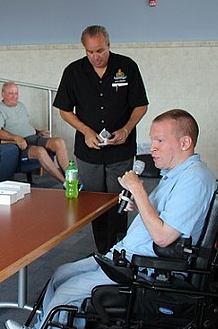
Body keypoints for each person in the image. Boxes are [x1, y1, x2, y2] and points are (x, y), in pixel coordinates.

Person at [4, 109, 215, 329]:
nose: (150, 147)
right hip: (126, 256)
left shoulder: (194, 180)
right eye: (152, 140)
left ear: (184, 143)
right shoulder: (176, 174)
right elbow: (163, 219)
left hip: (145, 268)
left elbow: (165, 237)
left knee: (67, 294)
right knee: (60, 274)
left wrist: (139, 192)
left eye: (159, 141)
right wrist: (140, 205)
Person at [53, 25, 149, 254]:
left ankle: (119, 250)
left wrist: (126, 129)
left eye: (100, 51)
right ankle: (102, 250)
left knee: (119, 201)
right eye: (90, 52)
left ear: (109, 45)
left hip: (120, 150)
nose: (96, 57)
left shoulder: (127, 66)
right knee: (94, 204)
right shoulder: (73, 71)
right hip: (89, 151)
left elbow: (140, 105)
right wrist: (85, 131)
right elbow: (64, 110)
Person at [0, 82, 69, 184]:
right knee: (40, 151)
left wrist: (38, 131)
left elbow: (24, 126)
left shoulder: (21, 105)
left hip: (34, 137)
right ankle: (65, 183)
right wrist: (16, 138)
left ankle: (71, 179)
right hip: (18, 144)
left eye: (16, 93)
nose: (15, 97)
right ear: (3, 94)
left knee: (59, 142)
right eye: (11, 93)